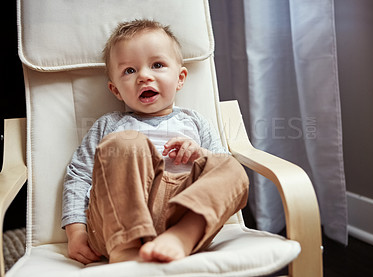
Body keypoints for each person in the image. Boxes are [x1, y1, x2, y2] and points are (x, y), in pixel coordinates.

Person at [61, 19, 249, 265]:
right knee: (126, 143)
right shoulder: (109, 125)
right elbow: (79, 175)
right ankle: (125, 247)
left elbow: (220, 171)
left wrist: (200, 155)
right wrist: (76, 231)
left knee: (231, 167)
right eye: (130, 71)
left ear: (180, 78)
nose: (144, 76)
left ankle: (182, 237)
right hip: (115, 220)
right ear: (116, 90)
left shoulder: (194, 121)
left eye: (157, 65)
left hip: (182, 213)